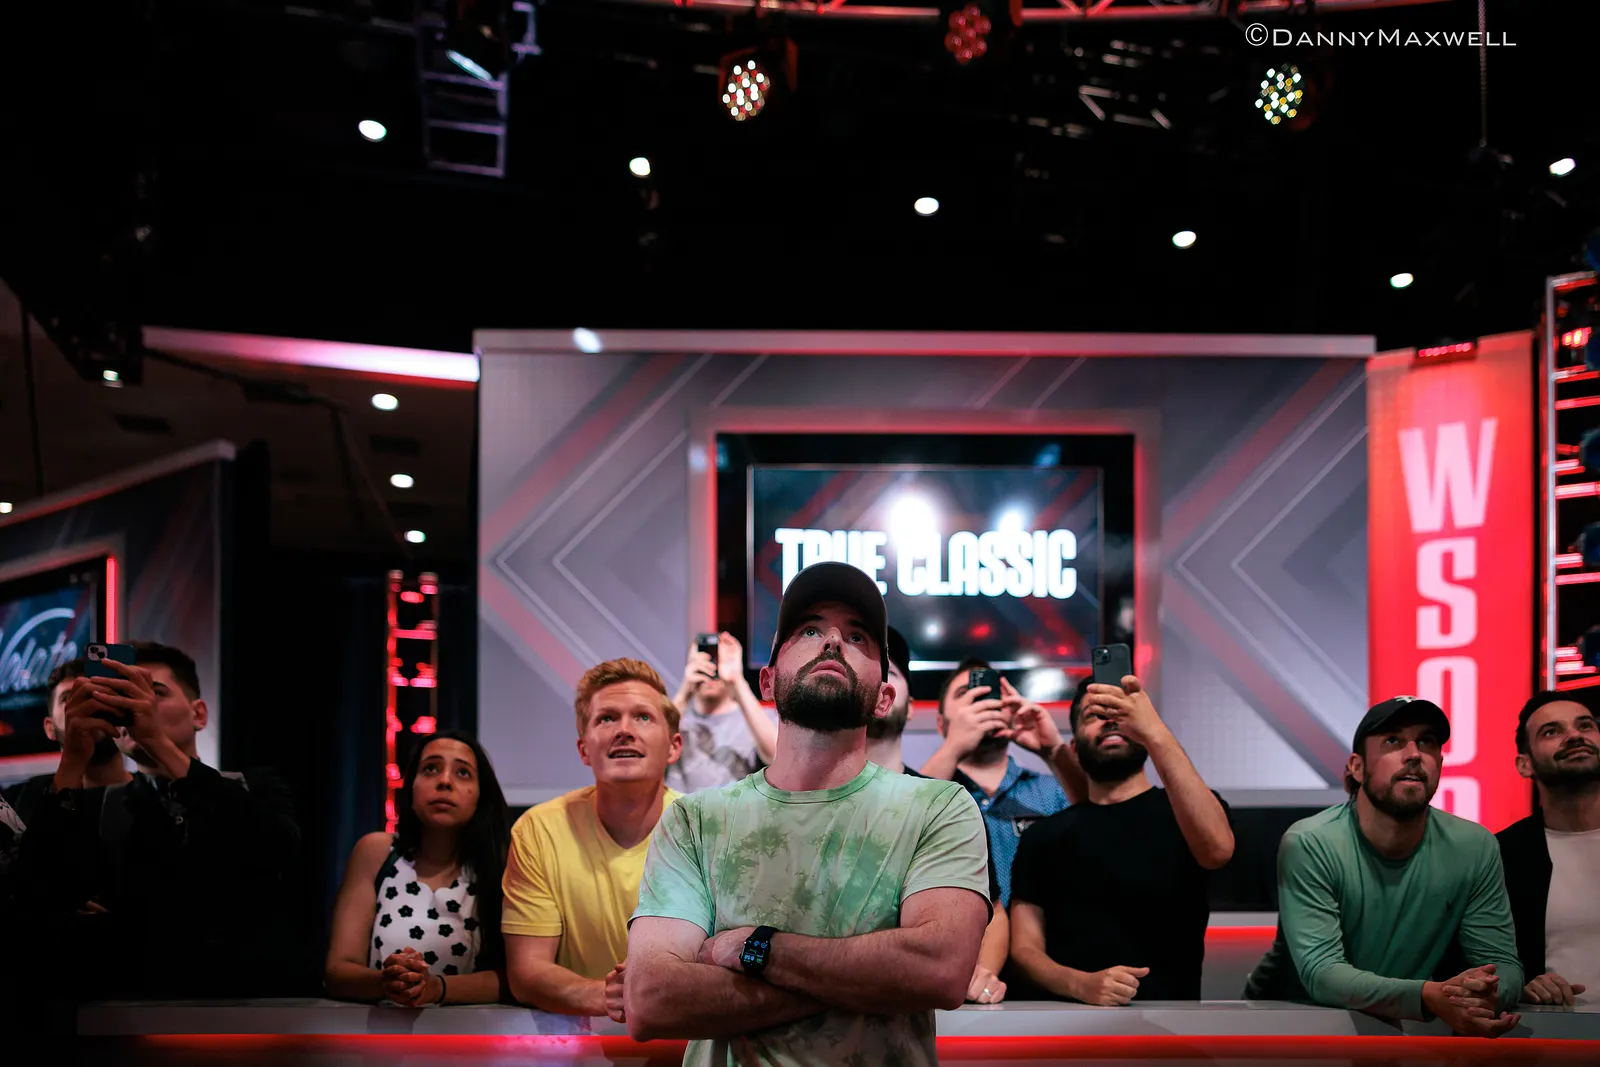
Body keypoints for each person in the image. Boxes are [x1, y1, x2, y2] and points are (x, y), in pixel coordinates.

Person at [624, 562, 991, 1066]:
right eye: (810, 630)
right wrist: (866, 982)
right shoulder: (696, 820)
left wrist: (755, 949)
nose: (834, 641)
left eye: (858, 636)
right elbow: (651, 999)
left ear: (884, 697)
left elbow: (940, 971)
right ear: (768, 681)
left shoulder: (939, 808)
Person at [9, 641, 304, 999]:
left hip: (258, 1005)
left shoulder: (254, 786)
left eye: (155, 693)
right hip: (134, 1012)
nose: (139, 704)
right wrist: (72, 758)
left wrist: (159, 743)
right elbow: (37, 899)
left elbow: (277, 850)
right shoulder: (102, 805)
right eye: (126, 695)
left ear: (198, 715)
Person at [1243, 697, 1522, 1036]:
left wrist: (1485, 994)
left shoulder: (1474, 847)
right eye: (1393, 741)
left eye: (1427, 742)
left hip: (1386, 1025)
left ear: (1439, 763)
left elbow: (1503, 964)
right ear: (1357, 767)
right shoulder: (1311, 842)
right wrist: (1429, 996)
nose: (1414, 754)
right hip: (1283, 1026)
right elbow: (1323, 974)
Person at [1010, 674, 1234, 1004]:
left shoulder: (1185, 814)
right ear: (1075, 748)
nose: (1110, 720)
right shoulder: (1043, 836)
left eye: (1120, 712)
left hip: (1174, 1019)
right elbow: (1024, 948)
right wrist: (1080, 985)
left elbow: (1218, 850)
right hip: (1065, 1021)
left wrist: (1154, 730)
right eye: (1094, 715)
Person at [501, 658, 684, 1014]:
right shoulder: (538, 830)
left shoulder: (707, 829)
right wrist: (613, 997)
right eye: (607, 718)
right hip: (579, 1041)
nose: (624, 730)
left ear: (673, 746)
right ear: (584, 749)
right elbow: (526, 972)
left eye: (643, 717)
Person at [867, 625, 1008, 1005]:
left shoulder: (950, 804)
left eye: (891, 673)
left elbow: (994, 910)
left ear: (911, 706)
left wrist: (982, 972)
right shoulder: (811, 797)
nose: (880, 681)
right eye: (869, 669)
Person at [326, 731, 511, 1005]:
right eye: (430, 769)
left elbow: (517, 979)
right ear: (411, 788)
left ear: (481, 796)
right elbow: (338, 972)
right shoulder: (376, 853)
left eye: (463, 773)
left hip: (467, 1029)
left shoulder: (501, 864)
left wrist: (435, 988)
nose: (444, 781)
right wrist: (389, 982)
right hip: (378, 1027)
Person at [918, 657, 1084, 905]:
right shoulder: (931, 793)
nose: (981, 702)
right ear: (941, 724)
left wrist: (1053, 751)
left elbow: (1100, 830)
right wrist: (953, 747)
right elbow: (899, 834)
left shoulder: (1053, 791)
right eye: (965, 694)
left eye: (992, 693)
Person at [1496, 691, 1599, 1007]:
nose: (1575, 736)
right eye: (1552, 732)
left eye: (1585, 725)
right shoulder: (1499, 855)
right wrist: (1520, 984)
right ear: (1524, 764)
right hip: (1551, 1031)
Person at [3, 660, 134, 825]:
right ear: (50, 728)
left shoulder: (153, 792)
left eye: (96, 695)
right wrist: (73, 762)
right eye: (68, 699)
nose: (87, 706)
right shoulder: (16, 802)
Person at [668, 631, 777, 792]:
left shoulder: (759, 717)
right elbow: (653, 747)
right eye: (702, 661)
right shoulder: (678, 716)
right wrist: (685, 691)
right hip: (680, 807)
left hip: (738, 808)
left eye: (716, 661)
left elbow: (776, 757)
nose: (711, 668)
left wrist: (736, 680)